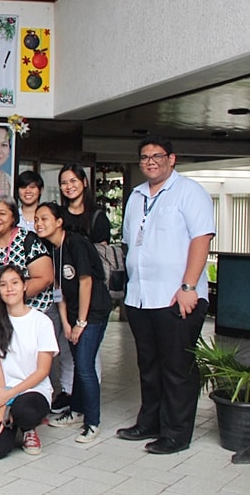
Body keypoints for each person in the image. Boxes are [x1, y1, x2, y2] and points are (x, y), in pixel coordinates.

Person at [116, 136, 215, 454]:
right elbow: (132, 242)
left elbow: (202, 239)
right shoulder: (136, 196)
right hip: (141, 297)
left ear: (172, 159)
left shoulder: (190, 192)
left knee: (176, 368)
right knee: (149, 365)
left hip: (177, 298)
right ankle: (150, 422)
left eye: (157, 156)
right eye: (144, 157)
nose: (150, 161)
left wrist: (188, 287)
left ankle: (176, 433)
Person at [35, 202, 110, 443]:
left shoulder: (76, 243)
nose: (39, 223)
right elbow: (59, 289)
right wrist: (66, 323)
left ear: (59, 221)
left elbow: (85, 282)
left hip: (93, 312)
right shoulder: (52, 248)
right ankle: (76, 411)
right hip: (74, 313)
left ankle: (93, 422)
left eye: (44, 219)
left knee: (86, 366)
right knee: (79, 363)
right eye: (36, 219)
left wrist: (81, 322)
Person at [0, 265, 58, 458]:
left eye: (15, 283)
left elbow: (42, 371)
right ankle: (10, 421)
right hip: (0, 390)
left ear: (24, 286)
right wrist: (3, 402)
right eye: (3, 285)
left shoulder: (41, 322)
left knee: (25, 411)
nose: (9, 289)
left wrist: (10, 395)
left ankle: (27, 428)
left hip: (32, 390)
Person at [0, 196, 53, 312]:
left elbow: (45, 278)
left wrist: (11, 296)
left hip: (34, 311)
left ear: (13, 217)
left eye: (2, 213)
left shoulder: (27, 240)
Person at [59, 164, 111, 244]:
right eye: (64, 183)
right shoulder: (58, 214)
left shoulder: (97, 217)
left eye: (73, 181)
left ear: (85, 182)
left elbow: (101, 251)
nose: (69, 186)